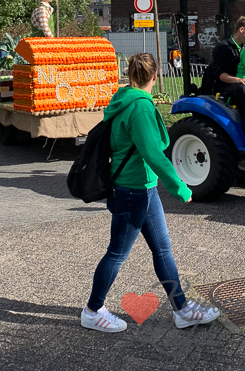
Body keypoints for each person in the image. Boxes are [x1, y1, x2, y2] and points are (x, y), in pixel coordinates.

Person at [82, 53, 219, 333]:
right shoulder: (141, 108)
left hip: (143, 189)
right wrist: (179, 186)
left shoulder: (123, 99)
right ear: (155, 77)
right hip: (134, 192)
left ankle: (181, 310)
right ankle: (92, 310)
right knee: (117, 254)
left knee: (163, 250)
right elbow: (153, 153)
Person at [201, 16, 245, 144]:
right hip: (221, 85)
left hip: (235, 82)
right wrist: (239, 80)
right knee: (243, 89)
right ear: (241, 29)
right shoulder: (223, 47)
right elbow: (220, 75)